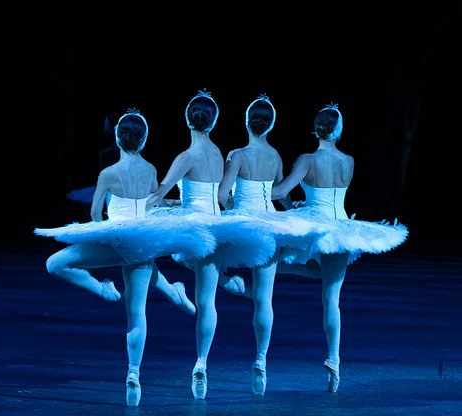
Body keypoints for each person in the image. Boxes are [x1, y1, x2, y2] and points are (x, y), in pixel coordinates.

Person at [36, 110, 213, 406]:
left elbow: (94, 214)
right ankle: (134, 373)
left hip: (114, 241)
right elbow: (153, 199)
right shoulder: (150, 169)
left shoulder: (108, 174)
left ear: (118, 138)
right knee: (136, 312)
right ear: (143, 140)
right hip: (141, 244)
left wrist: (97, 235)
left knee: (55, 263)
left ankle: (104, 290)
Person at [270, 104, 409, 392]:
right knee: (330, 297)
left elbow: (281, 192)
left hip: (314, 227)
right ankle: (333, 359)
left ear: (316, 129)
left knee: (276, 257)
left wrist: (252, 193)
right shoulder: (348, 161)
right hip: (340, 229)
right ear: (338, 130)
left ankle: (257, 278)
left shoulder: (307, 159)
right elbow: (329, 197)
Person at [146, 90, 275, 399]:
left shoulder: (186, 156)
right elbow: (215, 195)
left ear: (187, 120)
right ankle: (204, 363)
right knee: (207, 296)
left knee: (178, 268)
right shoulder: (219, 153)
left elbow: (159, 192)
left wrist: (138, 208)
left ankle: (202, 363)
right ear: (213, 122)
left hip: (196, 227)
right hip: (216, 227)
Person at [214, 94, 321, 396]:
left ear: (247, 123)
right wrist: (294, 209)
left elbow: (222, 196)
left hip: (244, 224)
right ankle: (260, 360)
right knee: (265, 298)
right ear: (270, 124)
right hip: (269, 225)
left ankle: (232, 286)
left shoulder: (237, 155)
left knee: (195, 258)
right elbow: (280, 196)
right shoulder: (274, 156)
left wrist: (232, 201)